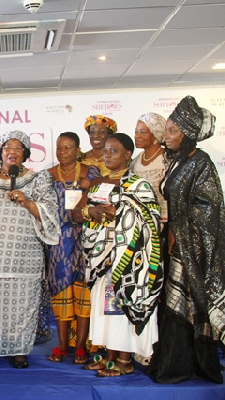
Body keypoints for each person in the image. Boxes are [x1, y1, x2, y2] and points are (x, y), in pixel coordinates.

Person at [0, 130, 60, 369]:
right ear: (1, 152)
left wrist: (27, 202)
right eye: (8, 147)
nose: (12, 152)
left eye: (18, 148)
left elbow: (51, 215)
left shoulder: (39, 179)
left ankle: (19, 351)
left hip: (23, 258)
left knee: (22, 306)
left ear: (25, 154)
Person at [147, 95, 225, 384]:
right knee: (173, 303)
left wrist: (180, 232)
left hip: (191, 246)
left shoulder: (201, 162)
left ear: (188, 134)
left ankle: (184, 366)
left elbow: (210, 205)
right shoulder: (177, 160)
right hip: (173, 241)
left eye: (172, 132)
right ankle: (174, 362)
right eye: (166, 131)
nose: (166, 137)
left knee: (184, 304)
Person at [73, 133, 163, 377]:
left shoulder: (139, 185)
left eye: (114, 151)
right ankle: (109, 355)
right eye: (106, 151)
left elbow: (151, 222)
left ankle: (125, 359)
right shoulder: (98, 184)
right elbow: (76, 215)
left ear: (127, 155)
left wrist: (121, 214)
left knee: (122, 309)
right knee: (107, 309)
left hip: (129, 262)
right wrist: (94, 211)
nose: (108, 155)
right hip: (101, 260)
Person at [46, 132, 101, 364]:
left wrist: (89, 188)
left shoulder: (91, 172)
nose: (62, 152)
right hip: (58, 242)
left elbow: (101, 201)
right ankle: (61, 345)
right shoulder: (48, 176)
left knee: (83, 292)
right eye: (59, 148)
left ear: (78, 150)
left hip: (86, 239)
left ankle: (80, 346)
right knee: (61, 292)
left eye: (68, 148)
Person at [130, 112, 168, 225]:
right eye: (136, 131)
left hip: (163, 222)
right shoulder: (136, 160)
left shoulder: (168, 159)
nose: (137, 135)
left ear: (156, 135)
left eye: (143, 132)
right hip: (139, 222)